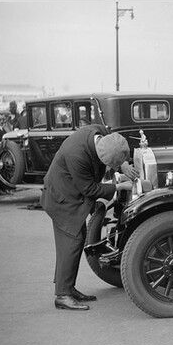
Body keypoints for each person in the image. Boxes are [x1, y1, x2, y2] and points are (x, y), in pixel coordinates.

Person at [40, 125, 140, 310]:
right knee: (72, 243)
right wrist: (118, 187)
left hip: (68, 192)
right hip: (62, 199)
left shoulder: (99, 133)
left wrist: (122, 163)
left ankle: (67, 288)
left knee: (72, 243)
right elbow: (89, 189)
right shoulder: (76, 155)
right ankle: (63, 295)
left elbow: (112, 147)